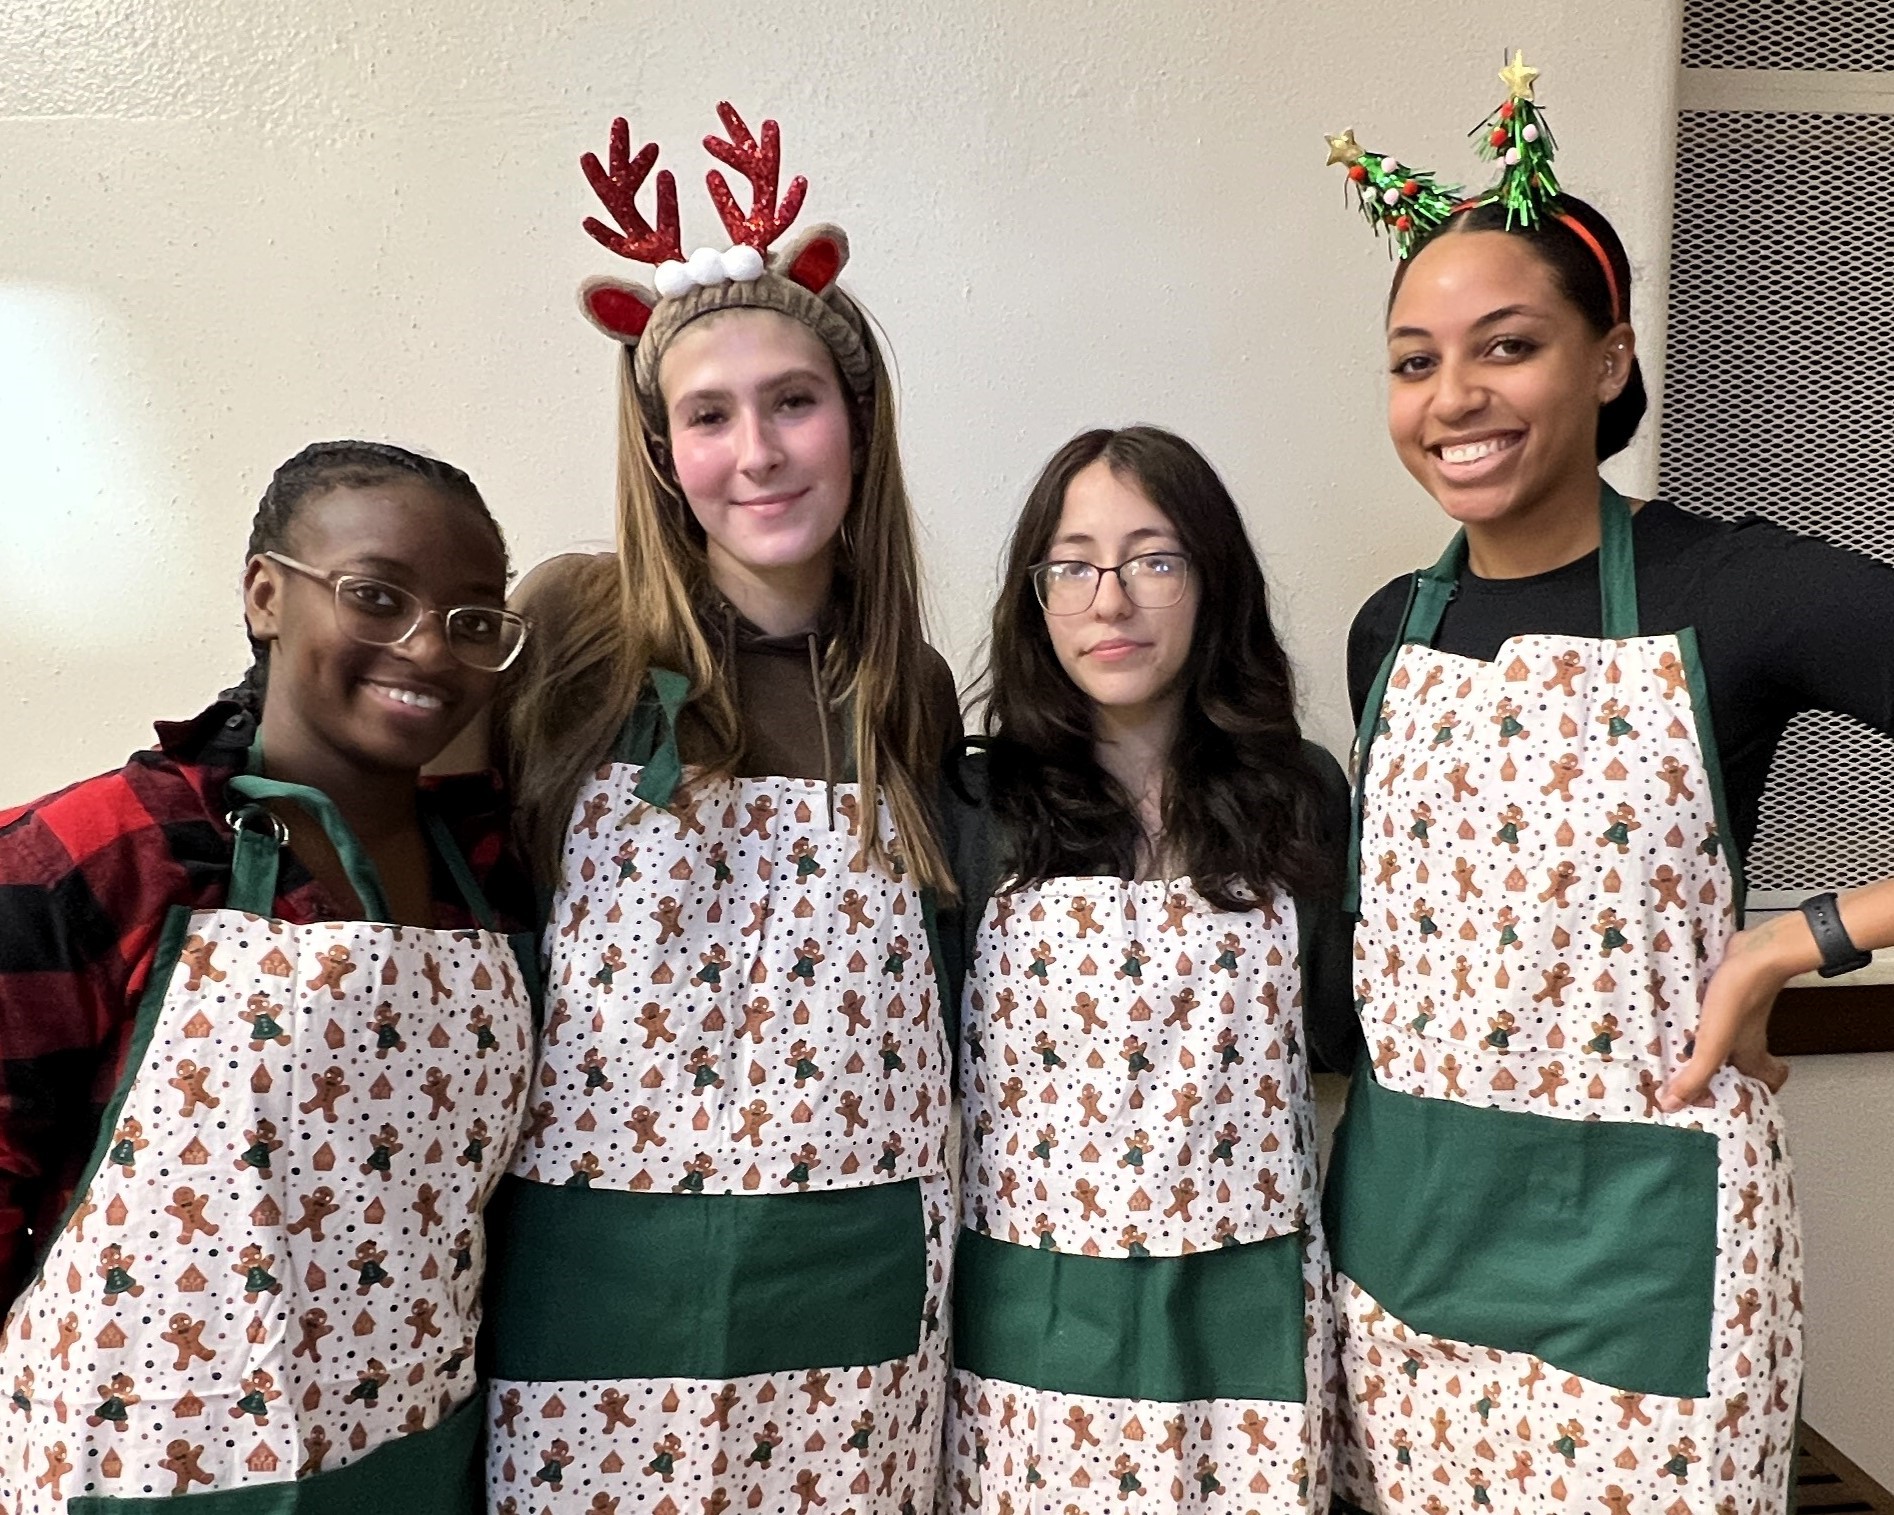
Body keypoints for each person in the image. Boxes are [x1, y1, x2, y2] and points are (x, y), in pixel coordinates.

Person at [1322, 58, 1894, 1512]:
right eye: (1411, 360)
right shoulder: (1392, 628)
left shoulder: (1739, 586)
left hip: (1642, 1266)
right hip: (1405, 1248)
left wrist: (1797, 938)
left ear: (1609, 357)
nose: (1452, 396)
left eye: (1503, 345)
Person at [481, 105, 958, 1513]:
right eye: (708, 412)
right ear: (661, 446)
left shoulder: (903, 682)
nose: (755, 449)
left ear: (855, 424)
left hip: (848, 1306)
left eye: (793, 399)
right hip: (593, 1291)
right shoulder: (570, 627)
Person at [0, 440, 538, 1511]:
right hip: (130, 1479)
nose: (428, 649)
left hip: (411, 1469)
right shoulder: (109, 851)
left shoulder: (492, 878)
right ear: (264, 596)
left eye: (473, 621)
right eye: (376, 597)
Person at [938, 427, 1354, 1513]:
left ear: (1214, 581)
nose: (1109, 600)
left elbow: (1339, 1044)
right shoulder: (975, 803)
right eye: (1072, 565)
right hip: (1035, 1319)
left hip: (1245, 1318)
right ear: (1036, 596)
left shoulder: (1298, 795)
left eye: (1153, 559)